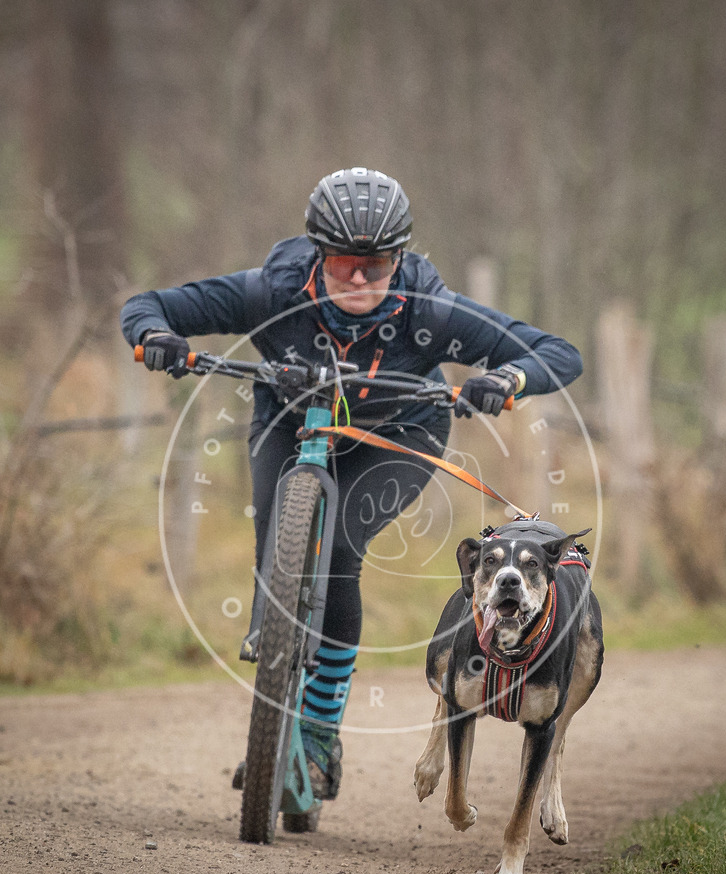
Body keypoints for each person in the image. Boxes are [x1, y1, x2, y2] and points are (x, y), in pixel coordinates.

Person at [120, 166, 583, 805]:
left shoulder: (431, 308)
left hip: (400, 436)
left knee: (338, 551)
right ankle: (274, 646)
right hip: (289, 422)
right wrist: (155, 336)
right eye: (342, 263)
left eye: (377, 263)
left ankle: (317, 735)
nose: (360, 278)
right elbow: (150, 306)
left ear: (398, 256)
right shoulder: (272, 289)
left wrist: (506, 380)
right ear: (318, 254)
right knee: (277, 530)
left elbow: (558, 353)